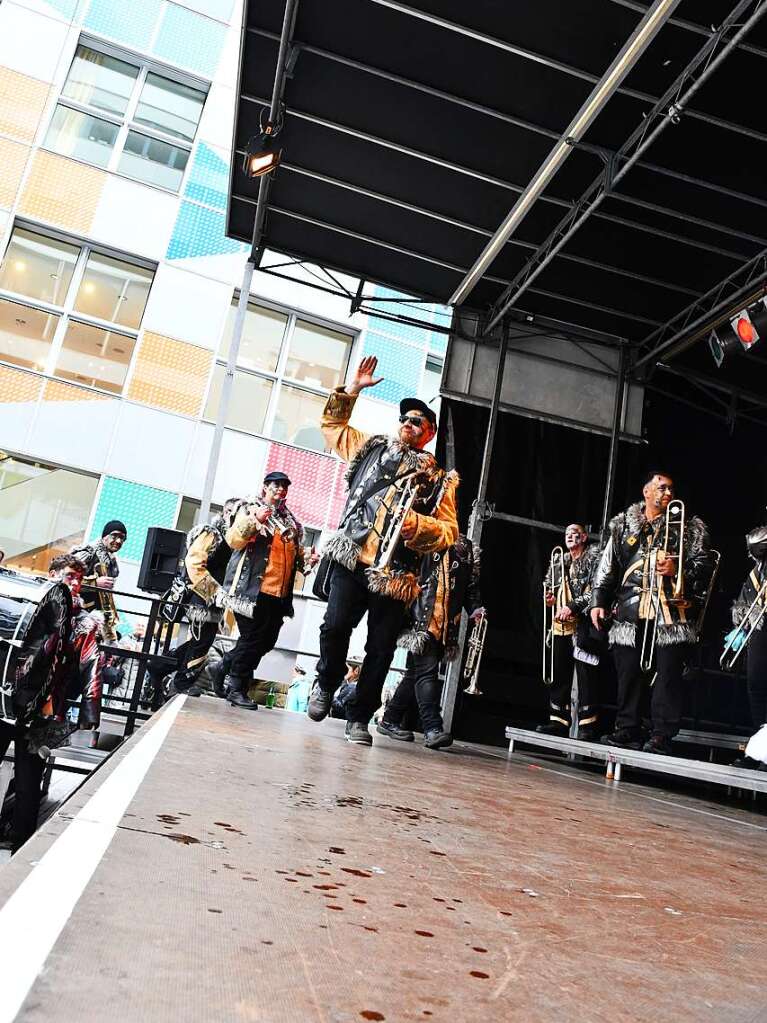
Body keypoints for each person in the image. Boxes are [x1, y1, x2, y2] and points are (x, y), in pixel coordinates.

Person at [307, 354, 459, 746]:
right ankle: (326, 681)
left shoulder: (439, 479)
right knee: (335, 626)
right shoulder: (370, 447)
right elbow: (332, 425)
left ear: (429, 434)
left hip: (397, 575)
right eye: (405, 420)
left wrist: (414, 525)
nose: (408, 426)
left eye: (417, 423)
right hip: (352, 555)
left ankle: (359, 718)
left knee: (379, 650)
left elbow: (448, 533)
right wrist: (353, 388)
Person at [590, 471, 713, 754]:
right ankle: (627, 728)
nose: (668, 493)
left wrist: (677, 571)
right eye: (662, 488)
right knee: (628, 672)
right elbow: (607, 566)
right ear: (646, 491)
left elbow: (705, 569)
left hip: (671, 613)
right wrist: (597, 600)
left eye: (671, 489)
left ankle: (661, 734)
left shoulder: (688, 528)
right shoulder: (623, 526)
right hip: (632, 610)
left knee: (668, 675)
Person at [218, 472, 318, 710]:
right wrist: (255, 521)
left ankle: (222, 666)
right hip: (252, 590)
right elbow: (233, 540)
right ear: (265, 487)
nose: (280, 490)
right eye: (276, 486)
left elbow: (292, 555)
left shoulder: (291, 521)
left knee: (266, 641)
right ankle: (237, 689)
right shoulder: (249, 508)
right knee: (252, 640)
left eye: (284, 487)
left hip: (279, 593)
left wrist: (307, 558)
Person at [378, 533, 484, 750]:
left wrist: (475, 608)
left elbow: (470, 587)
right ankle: (432, 728)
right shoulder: (426, 535)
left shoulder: (466, 548)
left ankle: (390, 719)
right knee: (427, 672)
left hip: (444, 624)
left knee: (414, 674)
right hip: (421, 620)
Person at [147, 498, 242, 701]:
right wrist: (213, 592)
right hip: (199, 597)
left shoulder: (235, 540)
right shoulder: (211, 533)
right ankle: (180, 683)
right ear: (226, 513)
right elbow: (194, 562)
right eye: (235, 512)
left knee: (201, 642)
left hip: (213, 601)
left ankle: (160, 666)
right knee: (202, 643)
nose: (238, 516)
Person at [538, 524, 602, 740]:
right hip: (561, 626)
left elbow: (596, 589)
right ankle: (558, 721)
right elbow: (549, 586)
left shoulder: (594, 558)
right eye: (567, 534)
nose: (570, 537)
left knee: (586, 675)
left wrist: (572, 606)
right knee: (559, 672)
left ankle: (587, 725)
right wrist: (550, 599)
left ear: (584, 536)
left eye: (574, 533)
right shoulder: (559, 561)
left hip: (584, 624)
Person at [726, 524, 767, 769]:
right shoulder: (759, 566)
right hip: (762, 624)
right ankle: (761, 750)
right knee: (757, 684)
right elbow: (756, 542)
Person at [70, 521, 126, 645]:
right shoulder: (88, 552)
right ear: (104, 536)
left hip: (97, 618)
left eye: (122, 538)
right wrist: (95, 583)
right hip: (74, 614)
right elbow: (65, 579)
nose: (118, 541)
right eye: (114, 536)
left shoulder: (113, 563)